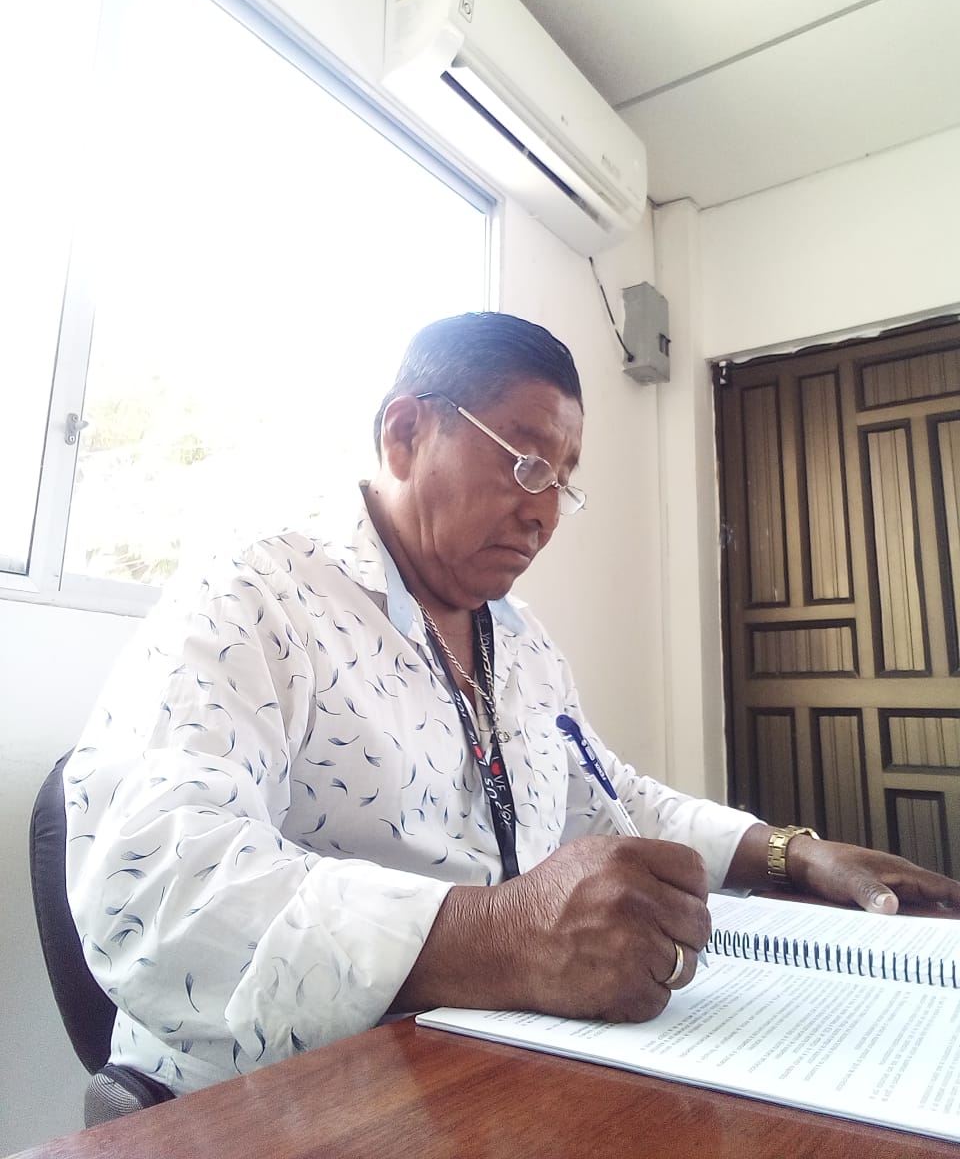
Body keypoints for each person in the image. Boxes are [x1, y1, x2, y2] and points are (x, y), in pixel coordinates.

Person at [64, 312, 960, 1096]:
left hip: (491, 1059)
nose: (547, 515)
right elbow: (155, 883)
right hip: (284, 1096)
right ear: (405, 433)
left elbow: (607, 796)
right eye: (528, 463)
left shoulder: (521, 640)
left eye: (563, 481)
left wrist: (789, 852)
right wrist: (504, 935)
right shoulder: (252, 594)